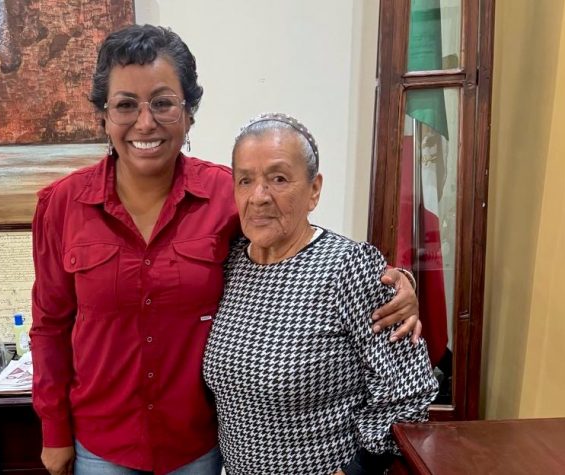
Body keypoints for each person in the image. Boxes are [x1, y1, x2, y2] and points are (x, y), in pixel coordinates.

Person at [30, 25, 421, 475]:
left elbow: (297, 243)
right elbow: (49, 327)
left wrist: (395, 282)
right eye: (125, 105)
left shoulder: (226, 193)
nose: (145, 122)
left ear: (189, 114)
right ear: (103, 115)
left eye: (163, 103)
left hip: (196, 447)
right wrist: (54, 431)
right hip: (103, 445)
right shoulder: (62, 205)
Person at [202, 113, 439, 475]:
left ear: (314, 190)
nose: (258, 197)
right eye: (245, 180)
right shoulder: (231, 262)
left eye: (279, 179)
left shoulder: (349, 267)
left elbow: (408, 390)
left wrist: (355, 471)